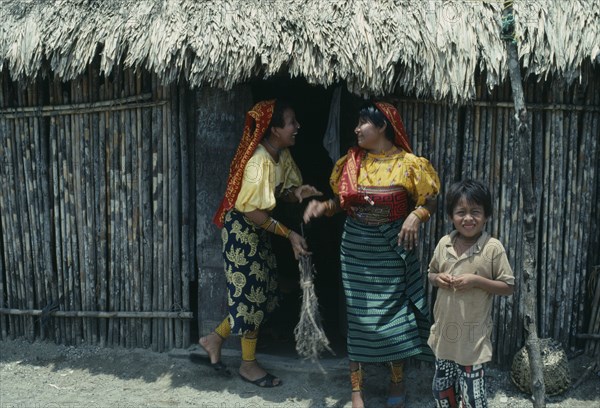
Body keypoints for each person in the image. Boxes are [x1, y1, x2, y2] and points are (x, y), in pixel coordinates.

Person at [304, 102, 440, 408]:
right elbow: (343, 203)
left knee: (393, 318)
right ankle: (356, 391)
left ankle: (397, 381)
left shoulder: (410, 165)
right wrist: (324, 207)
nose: (356, 129)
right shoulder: (351, 163)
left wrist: (416, 216)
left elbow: (430, 200)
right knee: (358, 319)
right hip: (356, 248)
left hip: (392, 249)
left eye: (363, 123)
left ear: (382, 127)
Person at [200, 99, 322, 388]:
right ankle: (248, 365)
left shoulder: (280, 155)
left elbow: (280, 192)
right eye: (291, 122)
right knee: (252, 297)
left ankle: (214, 339)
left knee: (263, 293)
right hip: (242, 230)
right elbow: (252, 211)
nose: (297, 127)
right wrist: (290, 234)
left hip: (257, 228)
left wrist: (297, 194)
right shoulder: (258, 162)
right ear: (275, 129)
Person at [427, 180, 515, 408]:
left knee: (473, 396)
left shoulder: (492, 248)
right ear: (450, 216)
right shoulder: (444, 244)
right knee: (442, 392)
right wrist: (438, 279)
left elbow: (508, 286)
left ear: (486, 216)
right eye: (461, 212)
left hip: (473, 339)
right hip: (445, 335)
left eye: (475, 212)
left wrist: (476, 281)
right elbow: (431, 273)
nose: (468, 218)